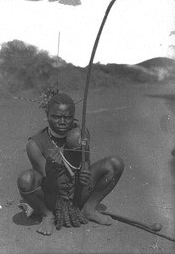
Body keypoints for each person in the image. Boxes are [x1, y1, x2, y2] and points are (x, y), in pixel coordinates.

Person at [17, 93, 124, 236]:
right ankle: (47, 215)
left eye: (67, 117)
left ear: (73, 116)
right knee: (25, 179)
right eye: (56, 117)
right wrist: (51, 170)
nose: (62, 122)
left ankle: (89, 209)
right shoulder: (35, 144)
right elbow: (48, 185)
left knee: (115, 164)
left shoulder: (80, 134)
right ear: (47, 115)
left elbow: (86, 164)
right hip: (51, 197)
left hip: (78, 191)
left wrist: (84, 175)